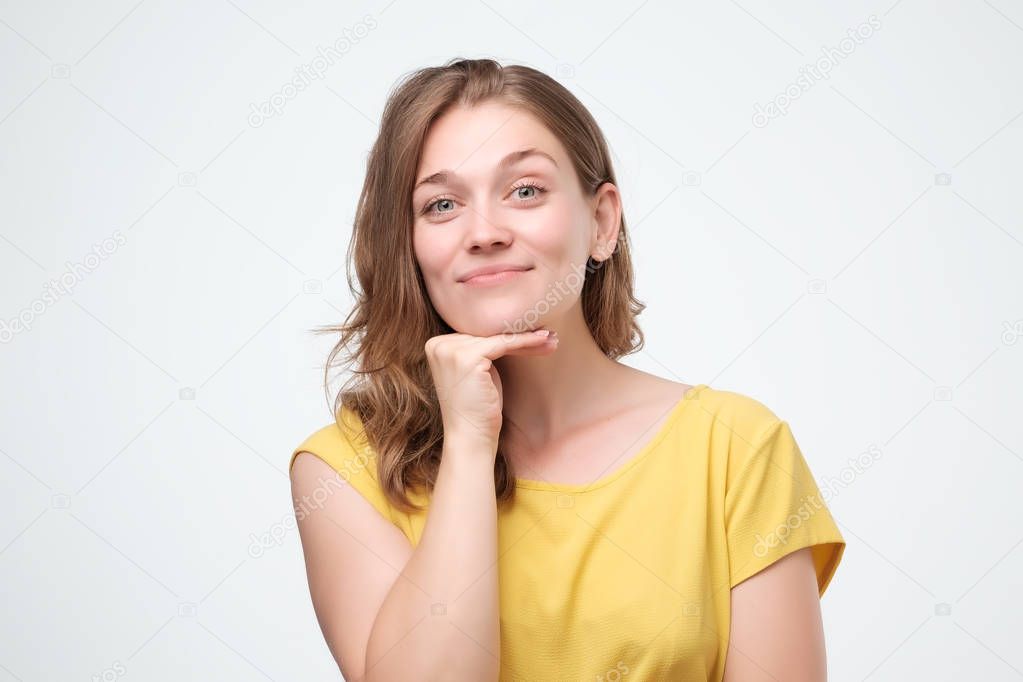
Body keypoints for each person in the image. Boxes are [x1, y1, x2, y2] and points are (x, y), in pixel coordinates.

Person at [289, 57, 845, 681]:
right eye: (442, 205)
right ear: (409, 248)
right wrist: (470, 446)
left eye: (525, 190)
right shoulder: (341, 472)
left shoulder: (737, 449)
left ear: (601, 223)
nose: (484, 232)